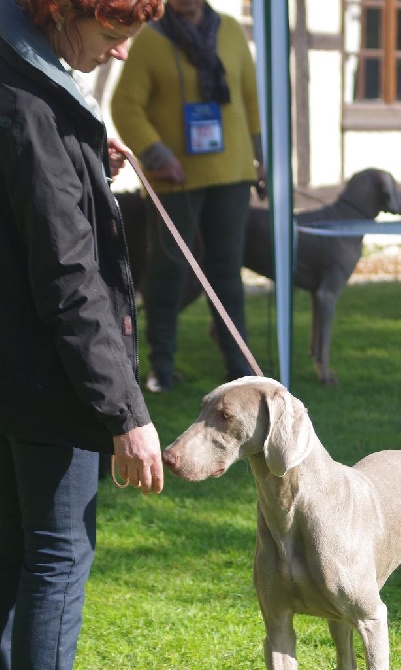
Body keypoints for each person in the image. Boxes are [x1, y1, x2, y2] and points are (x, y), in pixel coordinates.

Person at [0, 0, 165, 668]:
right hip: (47, 379)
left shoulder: (23, 81)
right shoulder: (31, 107)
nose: (122, 52)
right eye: (115, 32)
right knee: (57, 558)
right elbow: (69, 280)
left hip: (16, 370)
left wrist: (82, 152)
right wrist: (124, 412)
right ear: (60, 13)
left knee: (16, 554)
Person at [111, 0, 265, 392]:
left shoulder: (229, 30)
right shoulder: (151, 38)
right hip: (174, 180)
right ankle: (160, 369)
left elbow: (250, 99)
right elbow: (125, 105)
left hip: (231, 174)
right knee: (167, 271)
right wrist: (156, 154)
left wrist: (261, 157)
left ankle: (239, 367)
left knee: (227, 272)